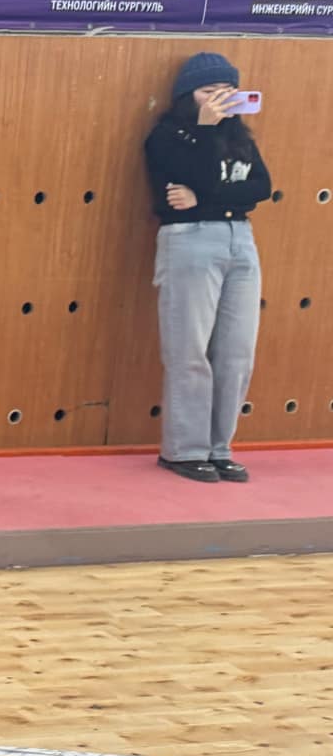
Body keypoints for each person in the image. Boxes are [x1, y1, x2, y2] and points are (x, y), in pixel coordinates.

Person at [144, 52, 271, 484]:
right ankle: (184, 450)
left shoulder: (240, 138)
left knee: (236, 352)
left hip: (241, 241)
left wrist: (206, 197)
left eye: (227, 91)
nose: (218, 99)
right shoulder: (168, 136)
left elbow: (261, 188)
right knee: (189, 348)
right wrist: (204, 129)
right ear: (187, 96)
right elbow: (192, 175)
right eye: (207, 92)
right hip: (191, 240)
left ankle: (220, 449)